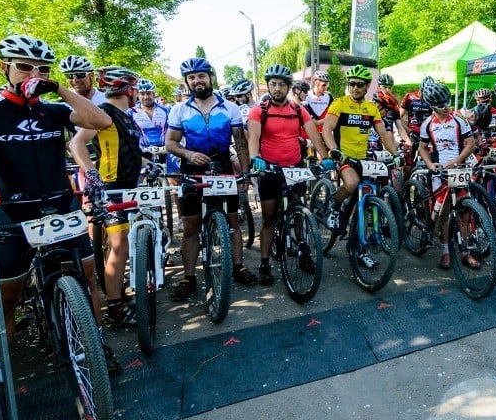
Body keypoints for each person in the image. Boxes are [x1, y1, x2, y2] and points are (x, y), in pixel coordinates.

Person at [0, 35, 113, 358]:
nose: (33, 74)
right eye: (24, 67)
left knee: (86, 281)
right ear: (4, 68)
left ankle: (96, 348)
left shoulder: (53, 109)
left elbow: (101, 121)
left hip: (61, 204)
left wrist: (57, 88)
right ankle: (0, 375)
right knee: (6, 301)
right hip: (12, 210)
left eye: (42, 69)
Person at [165, 57, 256, 300]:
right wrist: (189, 154)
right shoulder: (179, 110)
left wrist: (244, 173)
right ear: (187, 82)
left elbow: (241, 143)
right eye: (192, 78)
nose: (197, 81)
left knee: (233, 222)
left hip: (223, 167)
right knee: (191, 227)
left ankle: (238, 267)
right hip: (191, 170)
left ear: (210, 78)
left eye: (201, 76)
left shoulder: (230, 107)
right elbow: (170, 144)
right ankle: (188, 277)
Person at [68, 67, 144, 326]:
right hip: (111, 187)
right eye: (135, 89)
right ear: (129, 90)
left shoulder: (126, 116)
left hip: (129, 185)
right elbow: (76, 144)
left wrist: (147, 161)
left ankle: (119, 295)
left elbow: (126, 149)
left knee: (124, 244)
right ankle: (115, 308)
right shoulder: (106, 113)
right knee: (119, 245)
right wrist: (91, 174)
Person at [246, 65, 328, 285]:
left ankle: (303, 253)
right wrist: (255, 157)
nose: (277, 88)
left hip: (294, 167)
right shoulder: (259, 110)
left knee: (299, 211)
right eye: (273, 84)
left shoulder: (298, 110)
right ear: (269, 86)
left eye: (281, 84)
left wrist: (324, 155)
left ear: (289, 87)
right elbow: (253, 137)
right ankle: (264, 263)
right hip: (269, 168)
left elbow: (314, 134)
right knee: (269, 218)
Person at [321, 65, 400, 268]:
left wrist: (396, 155)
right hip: (344, 157)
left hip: (364, 158)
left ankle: (360, 249)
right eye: (352, 84)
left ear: (366, 87)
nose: (355, 88)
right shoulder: (339, 104)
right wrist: (333, 149)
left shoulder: (371, 108)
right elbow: (327, 129)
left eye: (360, 85)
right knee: (352, 183)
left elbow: (384, 134)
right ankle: (335, 207)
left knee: (363, 203)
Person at [417, 80, 479, 270]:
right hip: (439, 173)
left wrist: (457, 161)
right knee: (443, 214)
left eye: (448, 102)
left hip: (458, 170)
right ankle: (445, 251)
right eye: (441, 105)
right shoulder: (427, 124)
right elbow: (422, 148)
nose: (447, 107)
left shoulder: (459, 120)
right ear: (432, 106)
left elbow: (471, 144)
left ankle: (465, 251)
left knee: (465, 212)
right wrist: (430, 164)